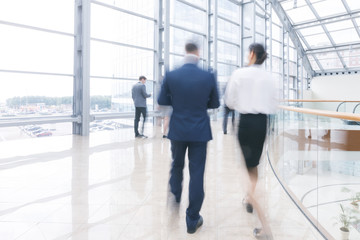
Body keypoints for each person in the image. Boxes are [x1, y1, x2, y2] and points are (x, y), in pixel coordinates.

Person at [158, 42, 220, 234]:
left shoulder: (171, 74)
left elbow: (162, 101)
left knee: (176, 165)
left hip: (178, 129)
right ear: (198, 53)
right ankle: (192, 219)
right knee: (197, 173)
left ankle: (175, 196)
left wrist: (177, 101)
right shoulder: (208, 76)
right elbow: (215, 103)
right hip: (199, 131)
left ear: (184, 51)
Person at [225, 43, 278, 239]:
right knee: (253, 165)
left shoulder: (240, 74)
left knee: (246, 173)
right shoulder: (270, 78)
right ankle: (249, 198)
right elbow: (274, 104)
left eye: (248, 53)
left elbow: (230, 102)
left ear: (253, 54)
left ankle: (265, 226)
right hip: (262, 123)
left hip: (246, 123)